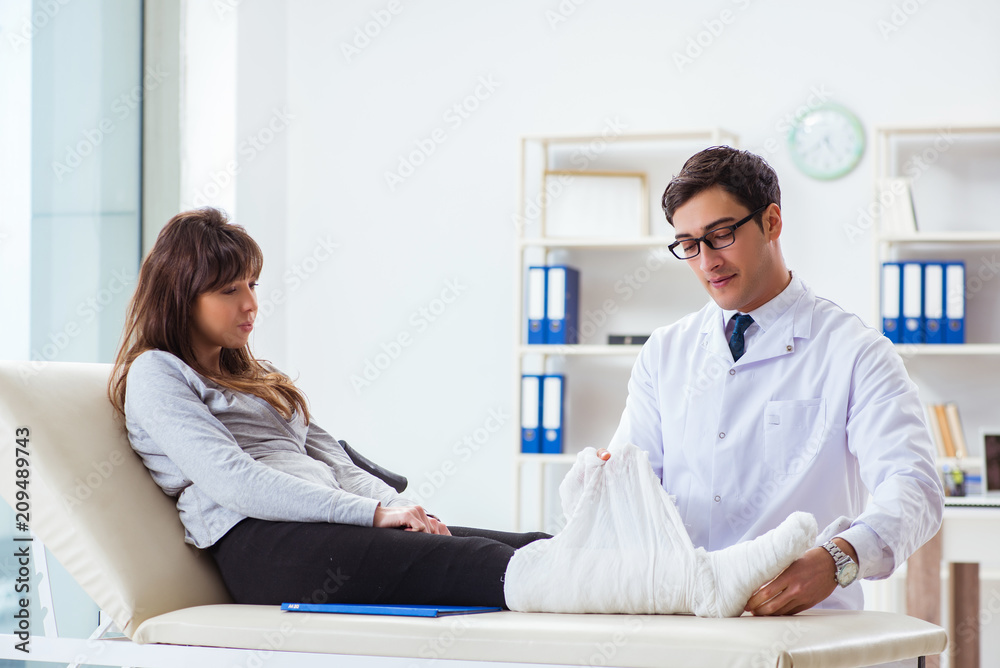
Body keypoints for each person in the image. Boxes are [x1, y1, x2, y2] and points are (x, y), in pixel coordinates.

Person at [108, 206, 818, 616]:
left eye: (254, 284)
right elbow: (232, 480)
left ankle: (701, 574)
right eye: (230, 290)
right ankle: (703, 587)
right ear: (181, 293)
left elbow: (329, 459)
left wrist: (398, 507)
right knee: (484, 567)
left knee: (534, 543)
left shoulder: (253, 375)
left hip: (320, 526)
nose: (251, 304)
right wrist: (374, 517)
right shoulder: (156, 375)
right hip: (264, 548)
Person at [608, 146, 944, 615]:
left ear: (771, 222)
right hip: (682, 623)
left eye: (721, 235)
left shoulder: (855, 351)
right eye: (688, 245)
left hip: (803, 626)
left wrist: (838, 560)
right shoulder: (665, 353)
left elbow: (914, 486)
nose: (706, 263)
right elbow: (630, 483)